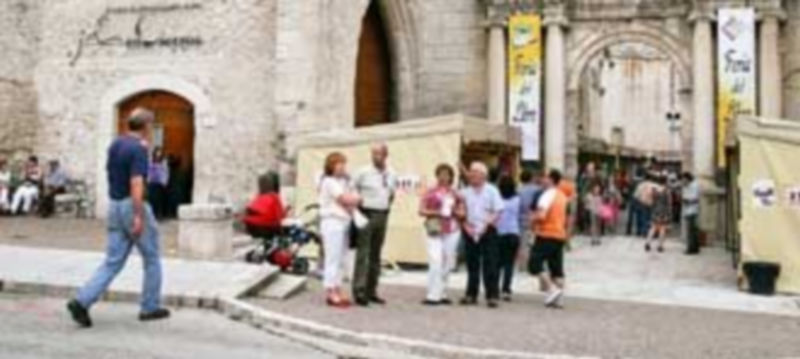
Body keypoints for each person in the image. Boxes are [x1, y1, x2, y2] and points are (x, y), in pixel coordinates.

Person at [67, 108, 170, 328]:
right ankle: (150, 306)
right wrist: (138, 215)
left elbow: (111, 173)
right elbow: (136, 182)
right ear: (146, 127)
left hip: (114, 204)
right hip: (132, 204)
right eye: (151, 126)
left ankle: (82, 301)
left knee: (112, 261)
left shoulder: (116, 144)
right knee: (151, 257)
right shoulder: (139, 149)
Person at [351, 143, 396, 306]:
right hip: (366, 211)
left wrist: (387, 206)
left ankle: (372, 290)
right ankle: (359, 290)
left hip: (382, 213)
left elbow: (392, 193)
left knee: (376, 254)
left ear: (385, 155)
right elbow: (352, 187)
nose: (376, 157)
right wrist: (357, 204)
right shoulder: (363, 172)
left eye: (379, 154)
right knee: (364, 252)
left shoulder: (391, 173)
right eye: (374, 154)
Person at [318, 152, 361, 308]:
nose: (343, 166)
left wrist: (354, 195)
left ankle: (338, 288)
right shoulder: (329, 182)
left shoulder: (344, 182)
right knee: (333, 258)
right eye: (339, 163)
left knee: (342, 258)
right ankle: (330, 291)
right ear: (331, 165)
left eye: (344, 163)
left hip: (343, 221)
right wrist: (357, 199)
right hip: (332, 222)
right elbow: (345, 199)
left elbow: (353, 196)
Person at [459, 162, 504, 308]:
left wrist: (487, 225)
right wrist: (465, 226)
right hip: (470, 229)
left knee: (490, 263)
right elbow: (459, 211)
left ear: (483, 175)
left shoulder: (492, 190)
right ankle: (471, 294)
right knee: (472, 263)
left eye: (476, 172)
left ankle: (492, 295)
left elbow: (498, 211)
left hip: (488, 229)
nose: (472, 175)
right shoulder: (464, 191)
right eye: (471, 172)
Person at [419, 164, 461, 305]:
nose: (444, 177)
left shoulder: (455, 193)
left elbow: (462, 212)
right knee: (435, 260)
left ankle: (442, 291)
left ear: (451, 177)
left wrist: (454, 211)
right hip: (435, 228)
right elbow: (421, 210)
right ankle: (432, 294)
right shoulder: (430, 191)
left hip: (452, 229)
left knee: (448, 262)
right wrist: (437, 212)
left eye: (447, 174)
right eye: (441, 174)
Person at [530, 169, 570, 309]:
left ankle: (551, 289)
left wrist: (532, 218)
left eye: (545, 177)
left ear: (552, 180)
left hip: (546, 233)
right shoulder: (562, 196)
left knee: (534, 264)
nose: (542, 179)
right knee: (557, 268)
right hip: (559, 234)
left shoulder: (546, 195)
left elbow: (541, 215)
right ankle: (559, 299)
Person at [496, 175, 520, 301]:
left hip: (499, 233)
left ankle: (494, 287)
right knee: (509, 264)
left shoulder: (497, 199)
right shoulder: (517, 199)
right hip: (514, 233)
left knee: (497, 263)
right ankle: (506, 290)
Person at [243, 172, 285, 238]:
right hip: (265, 227)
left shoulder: (260, 196)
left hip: (256, 227)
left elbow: (250, 210)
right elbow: (280, 215)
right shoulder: (272, 196)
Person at [645, 176, 671, 253]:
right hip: (663, 211)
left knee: (653, 227)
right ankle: (660, 246)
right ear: (665, 181)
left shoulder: (654, 190)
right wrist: (669, 212)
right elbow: (669, 203)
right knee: (662, 228)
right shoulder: (666, 190)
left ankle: (648, 243)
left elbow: (651, 200)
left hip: (655, 210)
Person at [147, 147, 169, 219]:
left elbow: (165, 171)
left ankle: (159, 214)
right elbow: (148, 170)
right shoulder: (150, 160)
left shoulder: (163, 161)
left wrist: (165, 181)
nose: (158, 153)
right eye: (157, 152)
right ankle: (151, 214)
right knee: (152, 199)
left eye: (160, 152)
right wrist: (148, 179)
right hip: (152, 182)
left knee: (159, 199)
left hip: (160, 183)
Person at [681, 172, 701, 255]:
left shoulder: (694, 186)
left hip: (692, 210)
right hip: (688, 210)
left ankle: (691, 248)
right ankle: (695, 248)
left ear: (688, 178)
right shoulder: (687, 185)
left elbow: (695, 198)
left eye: (684, 179)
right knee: (693, 231)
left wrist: (686, 200)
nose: (683, 181)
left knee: (691, 231)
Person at [584, 181, 604, 246]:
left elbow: (601, 205)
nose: (597, 190)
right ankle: (593, 239)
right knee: (593, 225)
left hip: (598, 213)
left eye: (598, 189)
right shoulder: (589, 195)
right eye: (596, 189)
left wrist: (601, 211)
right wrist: (587, 202)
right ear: (593, 189)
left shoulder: (600, 197)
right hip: (592, 212)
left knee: (598, 226)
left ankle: (598, 238)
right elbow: (586, 202)